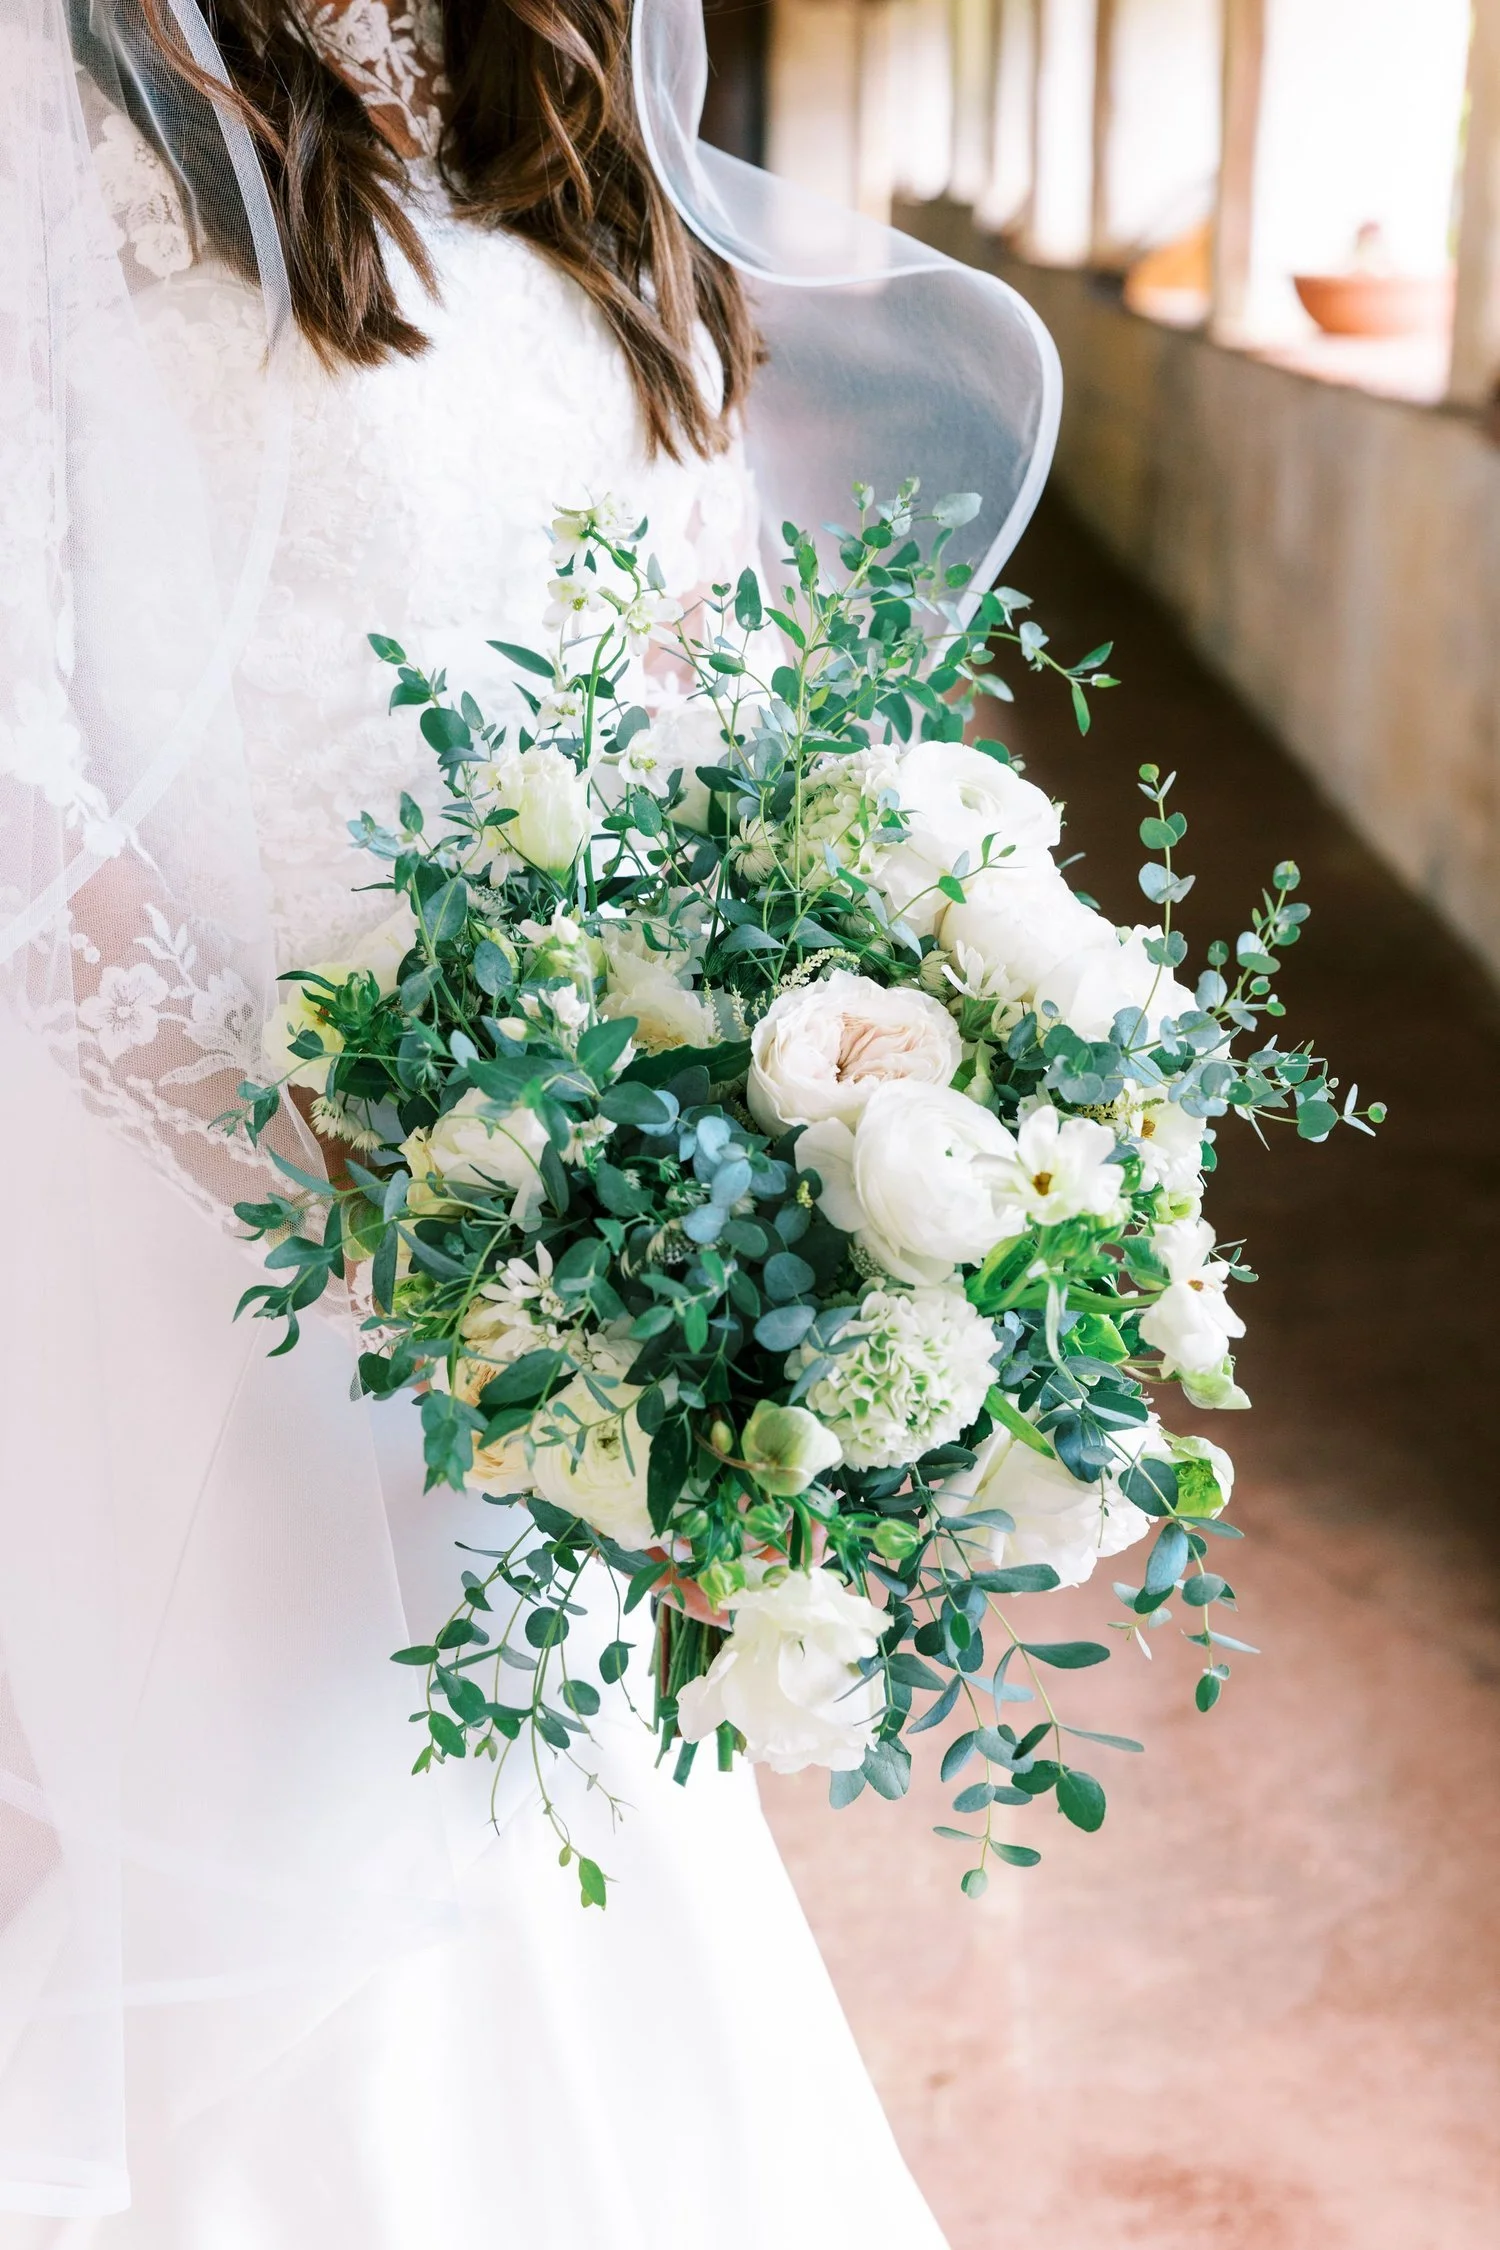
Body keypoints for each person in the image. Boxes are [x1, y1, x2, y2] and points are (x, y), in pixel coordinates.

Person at [0, 1, 1055, 2237]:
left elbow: (706, 644)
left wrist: (785, 1071)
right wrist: (312, 1177)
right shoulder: (58, 82)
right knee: (294, 1885)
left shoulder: (547, 87)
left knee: (565, 1863)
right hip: (224, 1206)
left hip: (576, 1212)